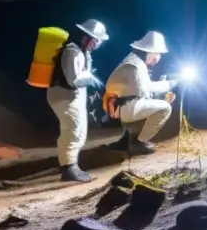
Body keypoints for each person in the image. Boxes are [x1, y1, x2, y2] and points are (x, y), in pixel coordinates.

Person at [47, 19, 108, 183]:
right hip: (62, 95)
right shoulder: (72, 51)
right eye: (95, 41)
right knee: (72, 130)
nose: (96, 45)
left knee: (80, 132)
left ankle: (72, 165)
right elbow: (72, 79)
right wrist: (90, 78)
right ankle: (68, 168)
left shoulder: (83, 53)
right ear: (85, 38)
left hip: (73, 96)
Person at [105, 31, 178, 155]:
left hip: (120, 106)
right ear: (150, 52)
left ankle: (125, 141)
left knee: (148, 104)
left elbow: (139, 89)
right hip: (126, 108)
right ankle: (139, 142)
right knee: (165, 108)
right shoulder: (136, 66)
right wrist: (170, 85)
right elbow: (146, 90)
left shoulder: (132, 60)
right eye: (157, 54)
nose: (157, 59)